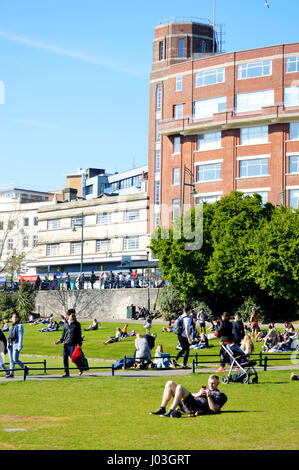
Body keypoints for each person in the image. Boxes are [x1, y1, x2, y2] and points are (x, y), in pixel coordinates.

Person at [149, 375, 227, 418]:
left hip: (196, 407)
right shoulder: (204, 390)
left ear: (218, 383)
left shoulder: (220, 395)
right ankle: (162, 408)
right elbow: (191, 395)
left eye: (213, 383)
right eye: (210, 383)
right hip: (189, 403)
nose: (211, 385)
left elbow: (214, 409)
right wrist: (198, 394)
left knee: (179, 387)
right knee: (170, 383)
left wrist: (209, 396)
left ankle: (171, 411)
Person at [55, 309, 83, 377]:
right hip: (66, 344)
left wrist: (80, 344)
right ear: (68, 315)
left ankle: (80, 368)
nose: (73, 316)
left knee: (74, 359)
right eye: (72, 315)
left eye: (74, 315)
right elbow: (63, 334)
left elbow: (79, 335)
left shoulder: (77, 324)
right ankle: (66, 372)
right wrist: (60, 341)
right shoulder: (65, 324)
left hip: (73, 344)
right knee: (65, 358)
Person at [7, 312, 28, 378]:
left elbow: (20, 336)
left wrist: (19, 346)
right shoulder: (11, 327)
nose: (14, 318)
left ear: (18, 318)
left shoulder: (20, 326)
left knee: (15, 359)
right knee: (11, 360)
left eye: (16, 317)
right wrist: (8, 344)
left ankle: (25, 368)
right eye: (13, 317)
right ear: (11, 318)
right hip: (10, 345)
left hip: (16, 345)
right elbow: (9, 336)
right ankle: (11, 374)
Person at [172, 305, 192, 370]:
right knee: (187, 350)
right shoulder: (187, 319)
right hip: (184, 336)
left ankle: (175, 360)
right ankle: (184, 365)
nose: (191, 311)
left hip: (179, 335)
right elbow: (186, 329)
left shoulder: (181, 316)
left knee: (183, 349)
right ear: (188, 311)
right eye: (190, 310)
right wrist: (189, 338)